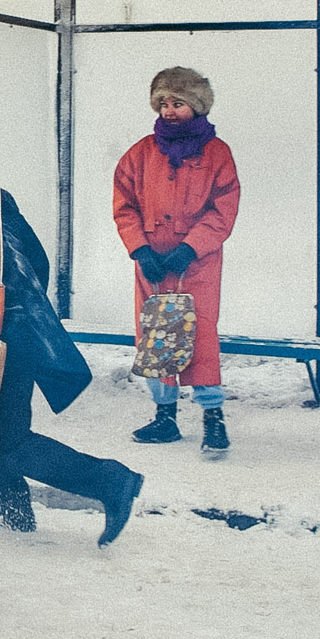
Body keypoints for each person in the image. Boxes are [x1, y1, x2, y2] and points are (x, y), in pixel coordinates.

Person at [0, 191, 146, 545]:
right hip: (9, 329)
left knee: (9, 440)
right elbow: (39, 261)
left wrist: (14, 314)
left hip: (6, 333)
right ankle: (9, 511)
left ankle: (112, 481)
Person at [112, 66, 240, 450]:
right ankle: (164, 417)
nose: (168, 110)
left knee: (200, 337)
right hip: (151, 264)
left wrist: (191, 247)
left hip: (197, 264)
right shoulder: (139, 153)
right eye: (163, 102)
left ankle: (213, 418)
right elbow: (124, 206)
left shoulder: (218, 154)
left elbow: (224, 209)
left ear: (197, 106)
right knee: (157, 337)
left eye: (178, 103)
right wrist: (139, 248)